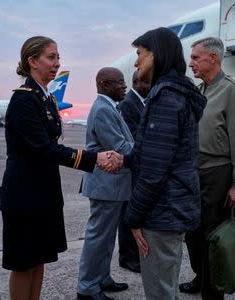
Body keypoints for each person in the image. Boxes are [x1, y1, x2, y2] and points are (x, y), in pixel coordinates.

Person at [0, 36, 118, 300]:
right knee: (23, 263)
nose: (57, 63)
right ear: (32, 61)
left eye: (58, 57)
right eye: (51, 57)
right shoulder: (23, 100)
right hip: (24, 194)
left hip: (42, 192)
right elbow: (45, 148)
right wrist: (95, 159)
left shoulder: (45, 98)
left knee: (38, 258)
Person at [123, 27, 207, 300]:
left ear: (156, 55)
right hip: (169, 209)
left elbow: (154, 172)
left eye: (140, 54)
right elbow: (155, 154)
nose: (136, 62)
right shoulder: (172, 93)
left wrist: (133, 216)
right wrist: (124, 159)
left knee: (160, 291)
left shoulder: (165, 98)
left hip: (161, 213)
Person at [180, 37, 235, 300]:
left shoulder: (233, 90)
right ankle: (202, 277)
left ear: (213, 58)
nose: (191, 64)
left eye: (196, 58)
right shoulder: (201, 91)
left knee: (214, 236)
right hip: (195, 172)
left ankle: (213, 292)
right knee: (193, 233)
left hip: (218, 172)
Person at [77, 67, 133, 300]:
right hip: (105, 185)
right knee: (97, 237)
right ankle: (87, 288)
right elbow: (120, 148)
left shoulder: (110, 107)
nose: (124, 86)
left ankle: (102, 278)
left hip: (113, 185)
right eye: (118, 82)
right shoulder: (102, 109)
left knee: (108, 237)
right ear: (103, 84)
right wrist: (149, 151)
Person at [116, 70, 150, 274]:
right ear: (137, 82)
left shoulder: (140, 102)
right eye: (148, 82)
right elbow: (133, 136)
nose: (151, 86)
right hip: (131, 169)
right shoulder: (129, 104)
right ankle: (127, 257)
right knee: (127, 213)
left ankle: (132, 254)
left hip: (137, 168)